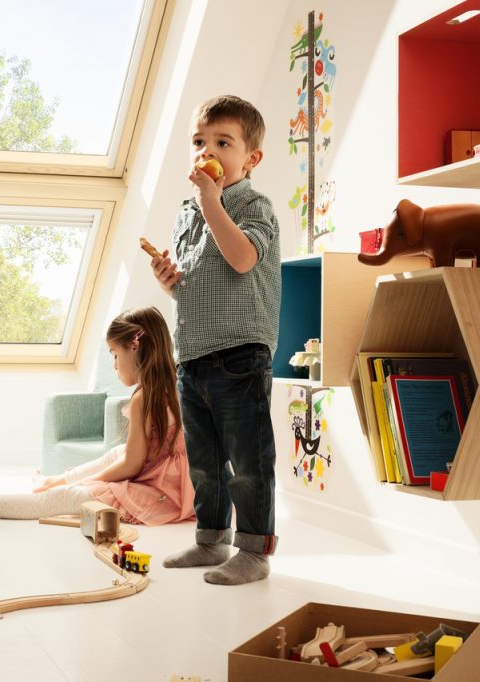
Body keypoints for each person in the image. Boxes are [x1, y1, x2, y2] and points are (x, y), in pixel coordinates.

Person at [149, 94, 280, 585]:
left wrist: (212, 200)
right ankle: (210, 539)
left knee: (248, 460)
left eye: (223, 142)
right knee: (203, 461)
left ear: (250, 159)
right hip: (194, 353)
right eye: (200, 141)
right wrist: (169, 279)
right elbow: (193, 277)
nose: (208, 149)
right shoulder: (188, 211)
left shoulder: (253, 205)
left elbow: (243, 259)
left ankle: (253, 550)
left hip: (241, 352)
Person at [0, 306, 195, 526]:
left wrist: (94, 482)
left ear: (134, 346)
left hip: (159, 493)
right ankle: (57, 479)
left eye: (114, 354)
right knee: (115, 454)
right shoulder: (175, 382)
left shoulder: (143, 398)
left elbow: (133, 466)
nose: (113, 365)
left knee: (64, 498)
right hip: (176, 482)